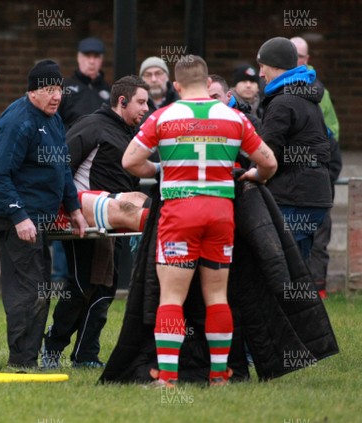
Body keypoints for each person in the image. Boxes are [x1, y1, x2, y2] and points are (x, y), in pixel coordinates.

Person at [122, 55, 277, 387]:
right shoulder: (234, 117)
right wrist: (253, 174)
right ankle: (220, 375)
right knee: (217, 296)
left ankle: (167, 377)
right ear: (208, 84)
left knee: (171, 298)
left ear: (176, 86)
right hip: (221, 213)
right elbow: (269, 163)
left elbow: (130, 161)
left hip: (180, 213)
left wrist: (159, 170)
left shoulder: (163, 116)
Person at [0, 59, 88, 369]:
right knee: (27, 290)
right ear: (32, 92)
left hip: (40, 218)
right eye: (48, 89)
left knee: (41, 287)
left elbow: (62, 168)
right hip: (18, 218)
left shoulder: (53, 118)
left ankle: (31, 357)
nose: (56, 96)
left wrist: (74, 209)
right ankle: (21, 361)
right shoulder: (18, 122)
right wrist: (19, 217)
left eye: (58, 89)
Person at [43, 75, 150, 369]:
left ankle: (86, 353)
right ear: (122, 101)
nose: (146, 108)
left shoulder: (130, 134)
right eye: (141, 102)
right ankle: (52, 346)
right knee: (81, 285)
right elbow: (61, 165)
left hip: (114, 225)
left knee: (105, 288)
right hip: (85, 220)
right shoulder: (92, 125)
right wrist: (68, 209)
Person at [256, 36, 333, 261]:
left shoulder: (282, 102)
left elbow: (267, 153)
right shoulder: (306, 97)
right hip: (313, 197)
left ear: (276, 66)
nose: (261, 74)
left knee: (285, 269)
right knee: (298, 267)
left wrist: (251, 173)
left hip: (293, 199)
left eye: (262, 67)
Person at [0, 167, 150, 232]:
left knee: (136, 197)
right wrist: (12, 182)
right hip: (53, 210)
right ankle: (174, 232)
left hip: (54, 196)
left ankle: (172, 225)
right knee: (126, 211)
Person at [53, 36, 112, 284]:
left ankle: (90, 278)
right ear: (78, 57)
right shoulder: (66, 89)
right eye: (87, 56)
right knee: (64, 214)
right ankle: (59, 277)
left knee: (97, 218)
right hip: (69, 163)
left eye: (96, 56)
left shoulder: (108, 92)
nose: (91, 61)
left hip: (99, 167)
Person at [290, 36, 342, 298]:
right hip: (290, 182)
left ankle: (317, 290)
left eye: (300, 55)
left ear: (307, 59)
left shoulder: (319, 92)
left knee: (318, 237)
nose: (296, 60)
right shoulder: (276, 91)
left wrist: (323, 176)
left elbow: (332, 135)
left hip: (315, 179)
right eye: (291, 54)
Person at [139, 56, 180, 120]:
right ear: (142, 79)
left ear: (167, 76)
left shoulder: (180, 101)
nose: (153, 79)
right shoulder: (136, 106)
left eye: (158, 73)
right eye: (148, 75)